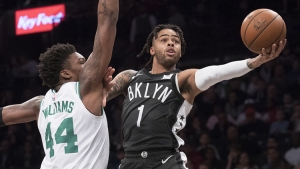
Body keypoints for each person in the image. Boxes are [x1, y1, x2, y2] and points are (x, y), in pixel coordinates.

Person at [107, 23, 287, 169]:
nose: (171, 43)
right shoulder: (130, 77)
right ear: (152, 49)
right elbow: (96, 97)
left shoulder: (182, 79)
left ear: (180, 51)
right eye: (164, 40)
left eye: (175, 41)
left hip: (166, 161)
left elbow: (215, 73)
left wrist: (253, 62)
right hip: (130, 162)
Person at [0, 0, 119, 168]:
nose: (88, 67)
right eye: (82, 62)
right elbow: (108, 18)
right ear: (65, 73)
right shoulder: (84, 90)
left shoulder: (39, 104)